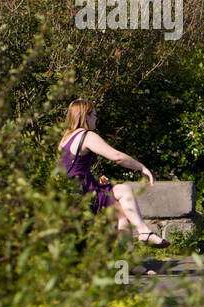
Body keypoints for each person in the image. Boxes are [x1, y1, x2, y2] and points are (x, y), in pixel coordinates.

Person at [58, 99, 168, 247]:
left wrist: (95, 181)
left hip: (74, 191)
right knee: (124, 190)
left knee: (122, 214)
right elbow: (117, 157)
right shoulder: (86, 136)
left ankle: (128, 264)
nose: (96, 118)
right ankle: (143, 232)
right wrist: (141, 167)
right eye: (95, 115)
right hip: (84, 194)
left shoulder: (64, 140)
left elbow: (72, 170)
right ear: (86, 116)